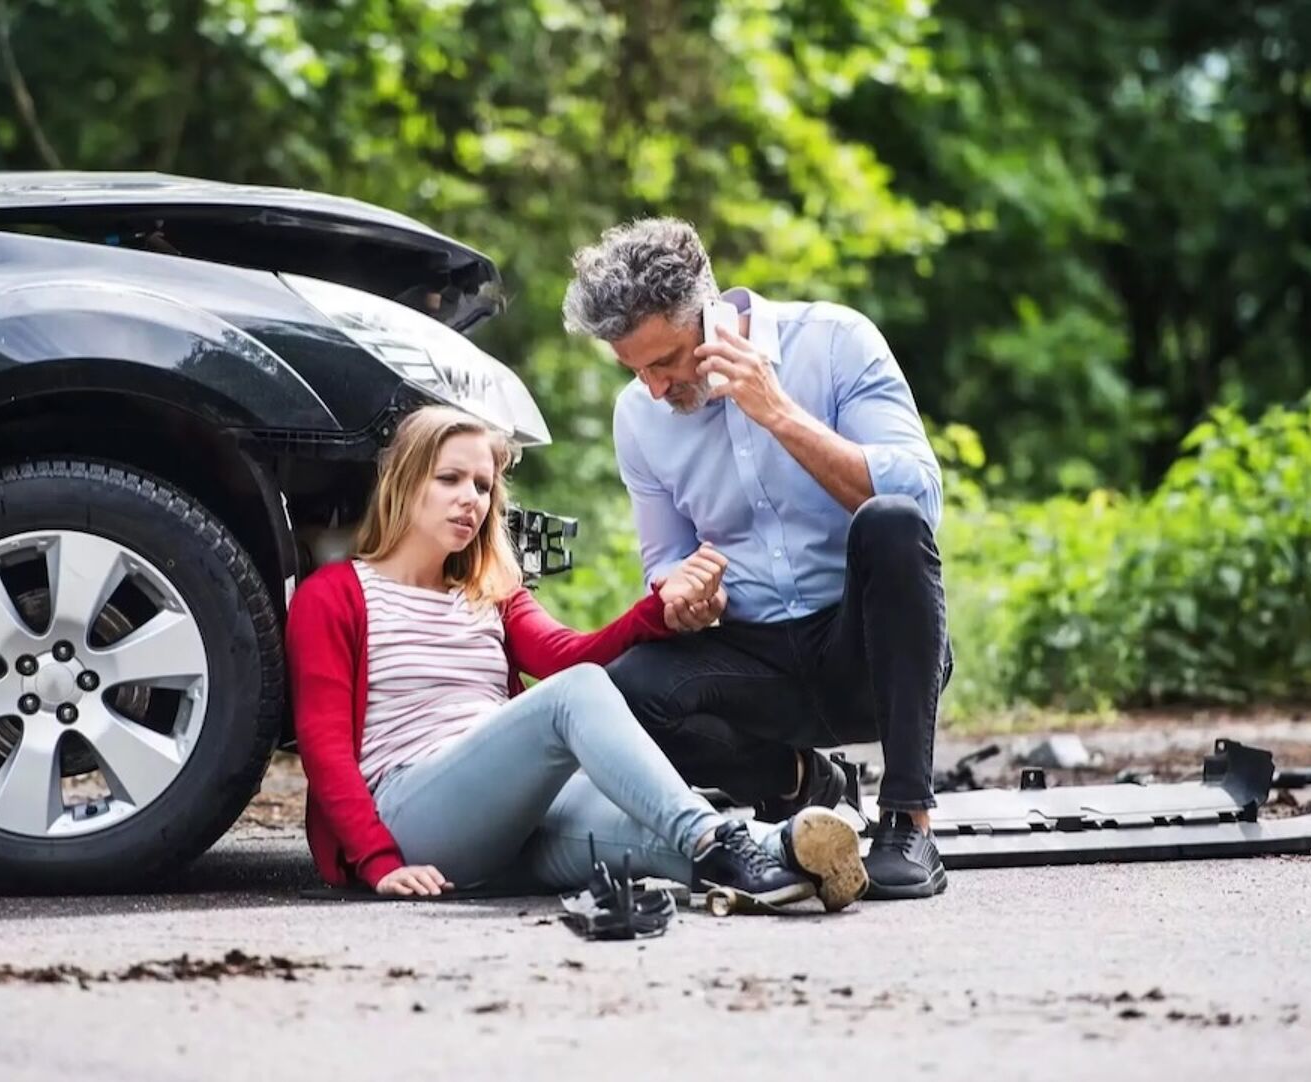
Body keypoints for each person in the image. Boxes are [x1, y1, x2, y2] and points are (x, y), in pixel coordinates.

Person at [287, 405, 867, 910]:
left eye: (484, 486)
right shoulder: (336, 595)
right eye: (450, 479)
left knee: (646, 820)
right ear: (405, 482)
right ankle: (722, 844)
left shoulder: (491, 592)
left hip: (507, 819)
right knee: (578, 697)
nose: (471, 499)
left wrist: (656, 613)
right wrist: (379, 860)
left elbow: (566, 654)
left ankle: (790, 853)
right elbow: (325, 748)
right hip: (414, 817)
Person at [562, 218, 953, 900]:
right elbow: (664, 559)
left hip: (864, 649)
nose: (655, 388)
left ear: (713, 320)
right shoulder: (639, 416)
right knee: (622, 690)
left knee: (890, 521)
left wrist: (778, 412)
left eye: (666, 361)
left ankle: (909, 820)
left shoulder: (835, 341)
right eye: (635, 369)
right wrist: (682, 596)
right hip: (753, 661)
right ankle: (798, 782)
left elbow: (917, 498)